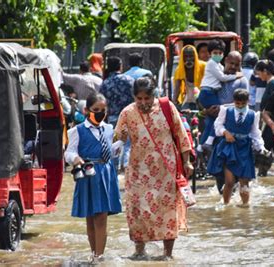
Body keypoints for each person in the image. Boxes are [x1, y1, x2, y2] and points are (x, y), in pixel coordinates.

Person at [114, 77, 193, 259]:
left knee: (167, 211)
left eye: (147, 98)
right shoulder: (127, 113)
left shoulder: (167, 107)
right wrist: (121, 137)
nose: (143, 103)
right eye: (139, 99)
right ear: (134, 97)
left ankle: (167, 254)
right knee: (137, 211)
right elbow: (117, 141)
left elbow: (181, 135)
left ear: (153, 95)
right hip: (138, 170)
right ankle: (139, 251)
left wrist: (187, 161)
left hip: (166, 169)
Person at [65, 93, 122, 263]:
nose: (100, 113)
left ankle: (99, 257)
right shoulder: (77, 130)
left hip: (105, 172)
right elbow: (69, 151)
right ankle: (95, 254)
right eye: (96, 110)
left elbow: (109, 152)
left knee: (101, 216)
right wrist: (75, 159)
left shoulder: (109, 129)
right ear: (86, 110)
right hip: (88, 173)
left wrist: (120, 144)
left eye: (103, 110)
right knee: (91, 217)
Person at [207, 89, 264, 205]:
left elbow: (255, 133)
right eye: (238, 103)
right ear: (234, 101)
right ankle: (226, 205)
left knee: (244, 183)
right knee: (229, 181)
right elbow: (217, 125)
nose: (240, 106)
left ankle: (245, 207)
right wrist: (225, 132)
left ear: (247, 102)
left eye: (243, 104)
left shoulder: (253, 115)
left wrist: (261, 147)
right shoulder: (226, 111)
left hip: (245, 149)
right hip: (229, 148)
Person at [198, 39, 242, 148]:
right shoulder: (212, 63)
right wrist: (237, 75)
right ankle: (208, 142)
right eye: (215, 53)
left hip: (209, 94)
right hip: (208, 93)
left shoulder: (218, 65)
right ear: (210, 54)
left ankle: (201, 146)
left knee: (212, 120)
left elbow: (224, 71)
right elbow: (222, 78)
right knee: (221, 114)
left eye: (220, 53)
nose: (217, 55)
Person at [99, 56, 134, 172]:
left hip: (112, 117)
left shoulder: (105, 83)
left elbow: (102, 102)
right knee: (128, 144)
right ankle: (126, 165)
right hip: (129, 116)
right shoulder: (129, 80)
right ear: (120, 66)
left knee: (114, 144)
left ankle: (114, 168)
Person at [255, 60, 274, 175]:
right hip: (271, 121)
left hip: (273, 122)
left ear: (265, 71)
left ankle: (262, 175)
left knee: (264, 149)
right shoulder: (272, 83)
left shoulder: (273, 83)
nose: (258, 76)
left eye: (259, 73)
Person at [173, 45, 206, 110]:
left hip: (203, 100)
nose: (188, 59)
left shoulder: (203, 66)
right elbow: (177, 88)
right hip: (188, 101)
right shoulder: (179, 69)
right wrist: (174, 103)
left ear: (195, 56)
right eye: (186, 56)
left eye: (191, 56)